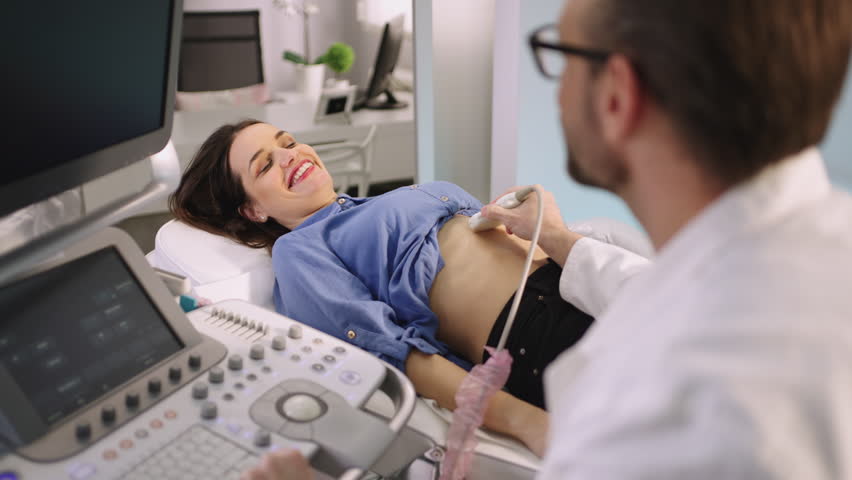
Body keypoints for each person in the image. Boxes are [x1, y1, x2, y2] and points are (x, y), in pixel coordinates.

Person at [242, 0, 852, 478]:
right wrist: (557, 240)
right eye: (263, 164)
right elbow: (386, 350)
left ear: (617, 98)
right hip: (535, 314)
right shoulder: (803, 263)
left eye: (555, 56)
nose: (553, 95)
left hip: (549, 308)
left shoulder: (663, 399)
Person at [170, 119, 606, 456]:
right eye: (265, 164)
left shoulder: (399, 196)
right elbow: (395, 355)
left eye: (287, 142)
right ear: (253, 210)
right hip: (537, 332)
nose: (290, 155)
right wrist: (526, 423)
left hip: (588, 286)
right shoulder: (299, 250)